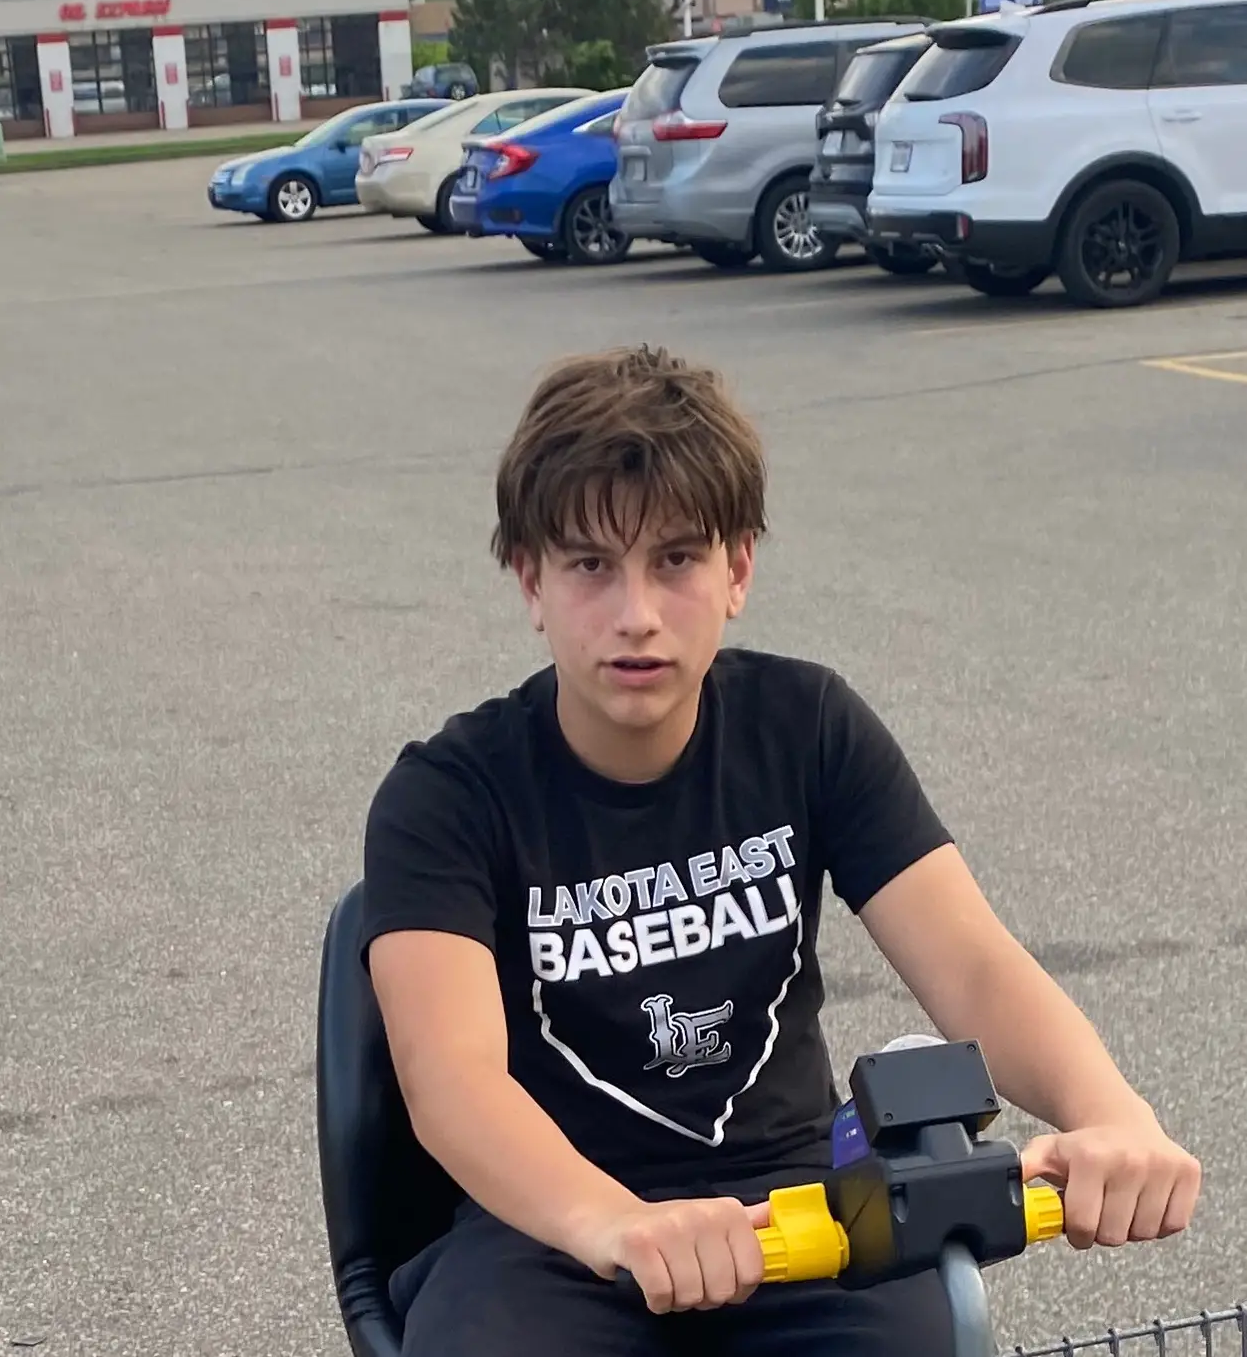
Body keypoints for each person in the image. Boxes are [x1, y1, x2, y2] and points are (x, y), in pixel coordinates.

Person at [361, 345, 1200, 1357]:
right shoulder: (446, 795)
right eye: (590, 566)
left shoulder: (806, 727)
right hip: (552, 1233)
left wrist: (1112, 1113)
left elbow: (973, 967)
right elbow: (453, 1082)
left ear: (738, 571)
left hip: (797, 1213)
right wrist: (615, 1224)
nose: (636, 615)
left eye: (676, 560)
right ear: (530, 581)